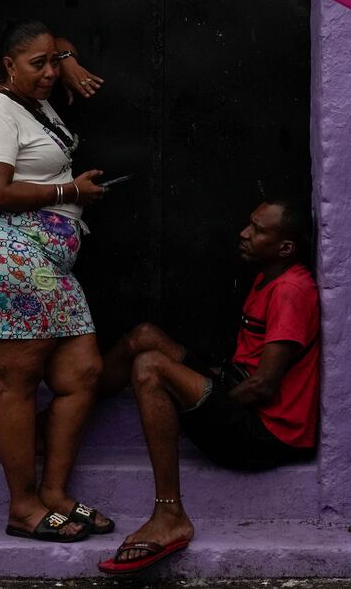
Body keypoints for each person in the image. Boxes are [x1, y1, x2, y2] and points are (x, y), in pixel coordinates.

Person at [0, 19, 114, 541]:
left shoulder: (33, 102)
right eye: (36, 65)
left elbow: (51, 36)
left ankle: (56, 493)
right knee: (17, 383)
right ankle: (23, 506)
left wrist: (65, 58)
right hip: (9, 256)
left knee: (82, 371)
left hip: (47, 262)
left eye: (51, 63)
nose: (47, 73)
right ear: (8, 66)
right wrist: (69, 194)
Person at [92, 198, 320, 575]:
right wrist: (203, 388)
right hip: (239, 390)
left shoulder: (290, 291)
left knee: (149, 368)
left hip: (266, 433)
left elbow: (263, 385)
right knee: (144, 337)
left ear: (285, 248)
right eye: (249, 224)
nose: (244, 233)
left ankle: (169, 514)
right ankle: (59, 420)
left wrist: (201, 397)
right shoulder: (269, 276)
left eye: (258, 230)